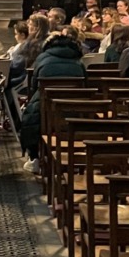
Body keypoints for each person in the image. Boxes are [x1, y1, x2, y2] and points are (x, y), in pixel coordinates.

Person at [19, 25, 87, 169]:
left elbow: (34, 85)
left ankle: (35, 158)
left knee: (31, 114)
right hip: (74, 110)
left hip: (46, 110)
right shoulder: (78, 61)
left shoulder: (42, 57)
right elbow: (85, 85)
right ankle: (77, 158)